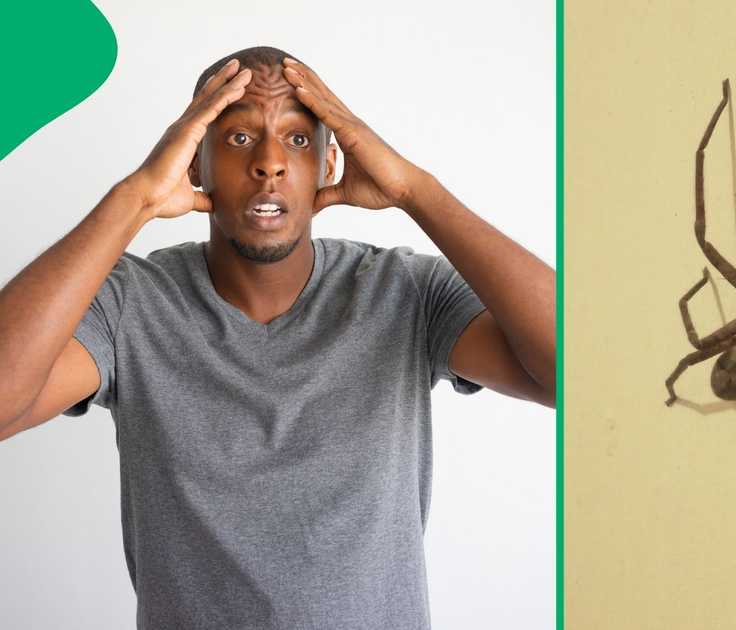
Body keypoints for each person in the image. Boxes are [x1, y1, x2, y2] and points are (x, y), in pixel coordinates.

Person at [0, 46, 555, 629]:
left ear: (329, 164)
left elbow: (580, 371)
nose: (270, 162)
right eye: (239, 139)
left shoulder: (405, 291)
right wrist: (132, 200)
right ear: (194, 163)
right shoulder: (132, 303)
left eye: (296, 139)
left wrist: (417, 192)